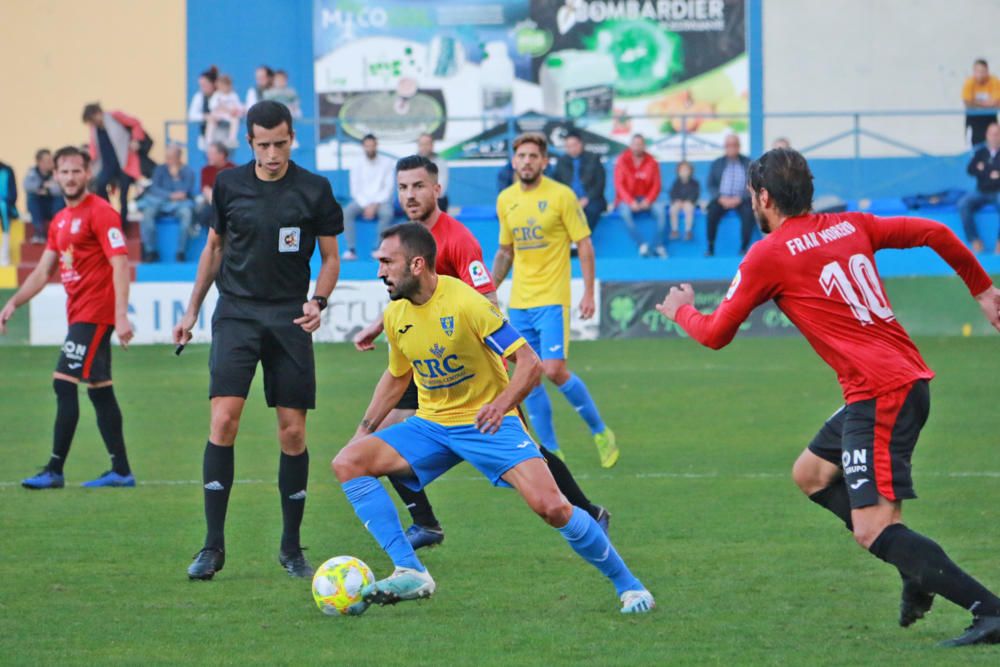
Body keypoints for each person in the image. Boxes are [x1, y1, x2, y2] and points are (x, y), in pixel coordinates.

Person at [657, 147, 1000, 648]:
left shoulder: (767, 254)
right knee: (811, 473)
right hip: (898, 383)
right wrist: (984, 290)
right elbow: (935, 231)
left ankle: (988, 610)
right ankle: (912, 566)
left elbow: (714, 333)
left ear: (764, 197)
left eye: (754, 194)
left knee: (871, 529)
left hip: (880, 393)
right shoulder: (850, 225)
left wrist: (681, 311)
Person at [332, 222, 654, 614]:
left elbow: (529, 363)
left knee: (552, 507)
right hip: (432, 425)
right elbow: (398, 376)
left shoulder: (467, 303)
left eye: (387, 261)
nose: (379, 270)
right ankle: (410, 569)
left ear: (417, 264)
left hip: (488, 423)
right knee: (349, 462)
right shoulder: (397, 313)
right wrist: (361, 432)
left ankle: (631, 586)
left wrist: (501, 406)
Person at [352, 155, 611, 550]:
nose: (410, 195)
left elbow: (487, 301)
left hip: (472, 370)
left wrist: (504, 365)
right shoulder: (402, 239)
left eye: (419, 186)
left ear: (437, 189)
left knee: (528, 451)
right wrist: (382, 322)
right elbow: (409, 299)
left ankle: (587, 512)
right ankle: (425, 522)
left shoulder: (458, 239)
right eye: (403, 187)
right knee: (380, 443)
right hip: (428, 363)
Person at [172, 101, 343, 581]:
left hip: (290, 316)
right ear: (250, 142)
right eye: (264, 144)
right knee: (223, 421)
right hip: (237, 314)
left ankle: (291, 548)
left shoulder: (315, 190)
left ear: (293, 138)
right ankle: (212, 547)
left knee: (292, 432)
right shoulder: (228, 184)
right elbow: (214, 249)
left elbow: (330, 259)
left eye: (281, 143)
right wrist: (191, 310)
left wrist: (319, 301)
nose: (272, 153)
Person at [1, 146, 136, 489]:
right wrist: (14, 302)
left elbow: (120, 262)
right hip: (80, 312)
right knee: (100, 389)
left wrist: (121, 316)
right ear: (55, 175)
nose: (71, 177)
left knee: (63, 382)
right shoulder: (59, 220)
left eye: (77, 171)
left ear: (88, 173)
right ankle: (121, 470)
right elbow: (44, 270)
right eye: (64, 171)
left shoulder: (102, 212)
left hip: (96, 313)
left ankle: (54, 469)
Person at [493, 133, 618, 467]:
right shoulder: (506, 200)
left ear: (545, 162)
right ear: (514, 161)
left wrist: (589, 291)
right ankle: (551, 453)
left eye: (534, 156)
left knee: (553, 369)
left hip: (552, 298)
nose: (527, 161)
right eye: (521, 155)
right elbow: (506, 250)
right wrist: (489, 290)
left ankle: (600, 431)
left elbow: (585, 245)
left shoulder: (562, 196)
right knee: (527, 376)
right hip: (519, 301)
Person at [83, 102, 146, 225]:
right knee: (100, 185)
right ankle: (109, 213)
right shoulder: (94, 129)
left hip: (124, 162)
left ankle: (123, 223)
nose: (92, 123)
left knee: (123, 194)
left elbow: (136, 124)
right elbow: (94, 147)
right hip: (107, 164)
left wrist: (136, 140)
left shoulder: (114, 117)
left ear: (97, 113)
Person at [138, 145, 198, 262]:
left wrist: (176, 177)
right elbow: (154, 189)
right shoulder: (159, 169)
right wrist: (170, 195)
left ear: (179, 157)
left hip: (180, 205)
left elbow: (185, 191)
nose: (168, 160)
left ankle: (180, 251)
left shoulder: (188, 171)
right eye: (167, 157)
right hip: (159, 203)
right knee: (147, 215)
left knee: (187, 215)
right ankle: (151, 251)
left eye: (171, 157)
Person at [341, 134, 395, 261]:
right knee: (346, 212)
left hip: (381, 202)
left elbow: (389, 188)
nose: (370, 148)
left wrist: (375, 205)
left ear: (376, 146)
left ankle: (378, 248)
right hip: (361, 202)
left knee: (387, 213)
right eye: (367, 146)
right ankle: (351, 249)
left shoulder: (387, 163)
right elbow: (355, 189)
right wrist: (367, 205)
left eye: (372, 145)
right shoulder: (357, 164)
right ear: (363, 147)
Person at [614, 134, 668, 257]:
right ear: (630, 146)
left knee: (661, 211)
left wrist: (648, 200)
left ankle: (658, 245)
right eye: (635, 144)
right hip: (627, 199)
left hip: (647, 198)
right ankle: (642, 244)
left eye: (640, 144)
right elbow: (619, 184)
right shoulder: (622, 160)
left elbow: (657, 185)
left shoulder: (652, 162)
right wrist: (630, 201)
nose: (637, 147)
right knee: (625, 213)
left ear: (644, 146)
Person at [704, 134, 754, 256]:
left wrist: (740, 198)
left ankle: (744, 247)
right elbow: (711, 185)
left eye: (734, 145)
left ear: (739, 147)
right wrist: (720, 198)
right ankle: (710, 247)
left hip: (741, 199)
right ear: (725, 147)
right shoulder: (717, 163)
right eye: (728, 145)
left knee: (749, 213)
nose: (731, 148)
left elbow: (753, 185)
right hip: (721, 199)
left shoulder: (748, 163)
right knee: (711, 212)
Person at [957, 121, 1000, 254]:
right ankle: (975, 241)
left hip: (998, 192)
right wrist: (990, 172)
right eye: (991, 134)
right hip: (981, 191)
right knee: (963, 203)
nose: (994, 137)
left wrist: (983, 169)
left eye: (997, 134)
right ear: (987, 135)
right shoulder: (980, 152)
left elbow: (986, 171)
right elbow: (970, 169)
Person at [553, 130, 606, 233]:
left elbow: (600, 184)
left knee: (591, 210)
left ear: (581, 144)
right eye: (568, 146)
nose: (572, 148)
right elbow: (556, 184)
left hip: (591, 199)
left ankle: (582, 239)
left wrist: (586, 199)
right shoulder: (561, 162)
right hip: (569, 199)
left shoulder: (593, 158)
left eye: (574, 145)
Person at [24, 149, 64, 243]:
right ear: (39, 162)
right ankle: (39, 233)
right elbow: (27, 186)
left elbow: (61, 188)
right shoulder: (32, 173)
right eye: (47, 161)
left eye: (51, 160)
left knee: (59, 198)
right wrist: (42, 186)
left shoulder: (57, 172)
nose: (51, 163)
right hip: (40, 208)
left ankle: (58, 231)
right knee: (32, 198)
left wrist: (47, 190)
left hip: (55, 207)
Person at [195, 142, 236, 234]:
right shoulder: (206, 170)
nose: (208, 156)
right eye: (208, 153)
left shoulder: (233, 169)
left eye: (211, 154)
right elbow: (206, 189)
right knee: (206, 212)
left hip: (228, 202)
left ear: (222, 155)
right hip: (212, 202)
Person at [962, 59, 1000, 146]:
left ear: (987, 71)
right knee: (973, 145)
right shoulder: (969, 82)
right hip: (973, 119)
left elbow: (996, 103)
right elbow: (967, 102)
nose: (980, 74)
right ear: (974, 71)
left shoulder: (994, 81)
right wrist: (987, 103)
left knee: (993, 143)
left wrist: (975, 102)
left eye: (982, 71)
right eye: (977, 71)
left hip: (990, 117)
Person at [207, 74, 243, 149]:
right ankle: (209, 139)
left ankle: (232, 139)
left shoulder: (233, 95)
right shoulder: (217, 95)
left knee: (235, 120)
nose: (224, 88)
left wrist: (235, 110)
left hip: (229, 115)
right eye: (222, 86)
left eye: (226, 86)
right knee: (211, 119)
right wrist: (222, 109)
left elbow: (238, 106)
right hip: (218, 115)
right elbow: (212, 106)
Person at [188, 66, 218, 151]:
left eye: (205, 85)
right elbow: (191, 115)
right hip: (205, 136)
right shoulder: (199, 96)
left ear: (213, 84)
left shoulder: (221, 95)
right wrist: (206, 116)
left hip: (222, 135)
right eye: (201, 85)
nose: (202, 88)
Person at [668, 160, 700, 242]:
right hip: (678, 202)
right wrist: (676, 200)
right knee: (673, 209)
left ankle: (688, 231)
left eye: (686, 170)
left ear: (691, 171)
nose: (684, 172)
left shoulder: (695, 183)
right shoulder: (676, 182)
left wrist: (689, 201)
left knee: (688, 209)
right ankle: (674, 230)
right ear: (678, 171)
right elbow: (672, 193)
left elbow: (695, 194)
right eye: (682, 170)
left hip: (689, 202)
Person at [416, 133, 449, 211]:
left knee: (442, 201)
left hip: (436, 199)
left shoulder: (440, 162)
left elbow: (442, 188)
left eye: (427, 144)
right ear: (418, 146)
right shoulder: (412, 163)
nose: (424, 147)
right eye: (422, 144)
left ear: (432, 145)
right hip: (417, 199)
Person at [0, 160, 18, 265]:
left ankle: (4, 254)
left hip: (6, 206)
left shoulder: (7, 170)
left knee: (3, 207)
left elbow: (13, 194)